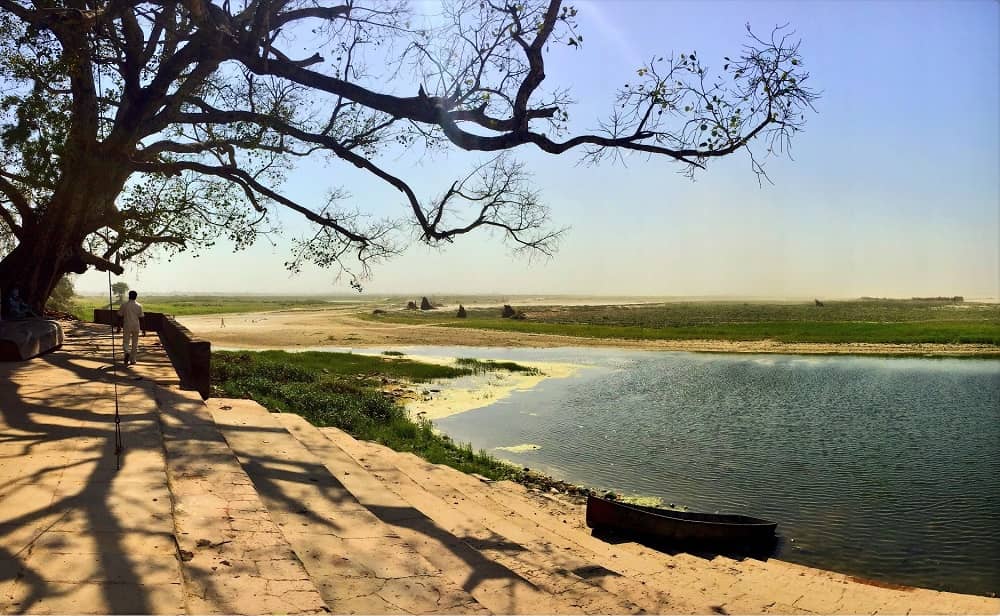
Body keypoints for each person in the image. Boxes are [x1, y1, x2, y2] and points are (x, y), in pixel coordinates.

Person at [117, 290, 144, 365]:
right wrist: (143, 329)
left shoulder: (124, 305)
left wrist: (119, 326)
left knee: (126, 341)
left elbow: (119, 316)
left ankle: (126, 352)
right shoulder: (139, 305)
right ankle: (133, 360)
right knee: (135, 343)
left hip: (127, 325)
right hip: (136, 326)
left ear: (129, 296)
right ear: (136, 297)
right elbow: (141, 318)